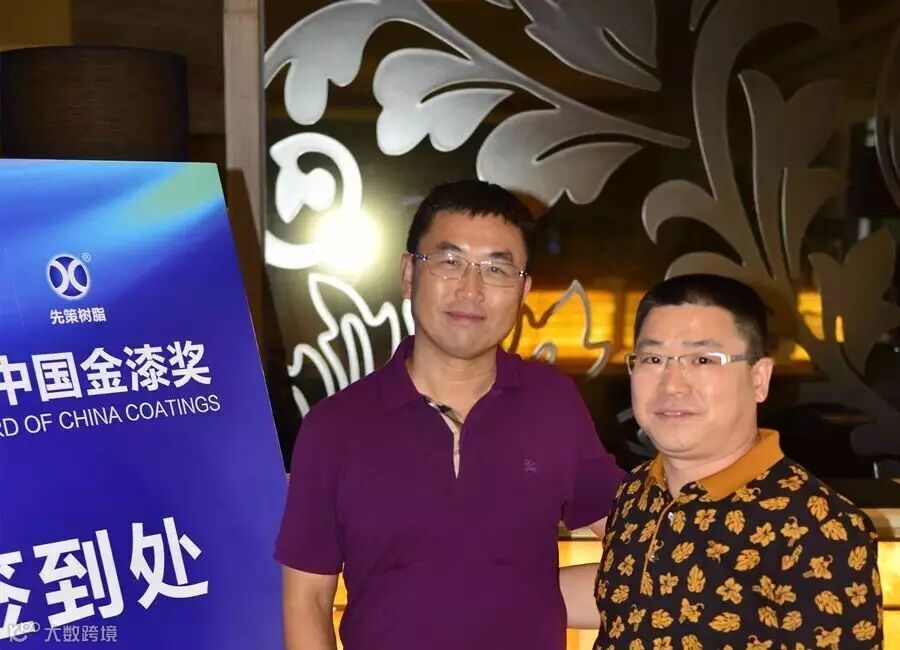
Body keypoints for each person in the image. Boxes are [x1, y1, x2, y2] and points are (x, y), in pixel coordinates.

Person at [276, 179, 624, 650]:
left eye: (496, 269)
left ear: (523, 290)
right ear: (408, 274)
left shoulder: (553, 404)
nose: (471, 289)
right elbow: (308, 602)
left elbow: (639, 537)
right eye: (449, 262)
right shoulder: (336, 426)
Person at [563, 273, 883, 649]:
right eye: (653, 358)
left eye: (703, 359)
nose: (672, 384)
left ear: (759, 378)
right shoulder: (635, 493)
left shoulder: (819, 528)